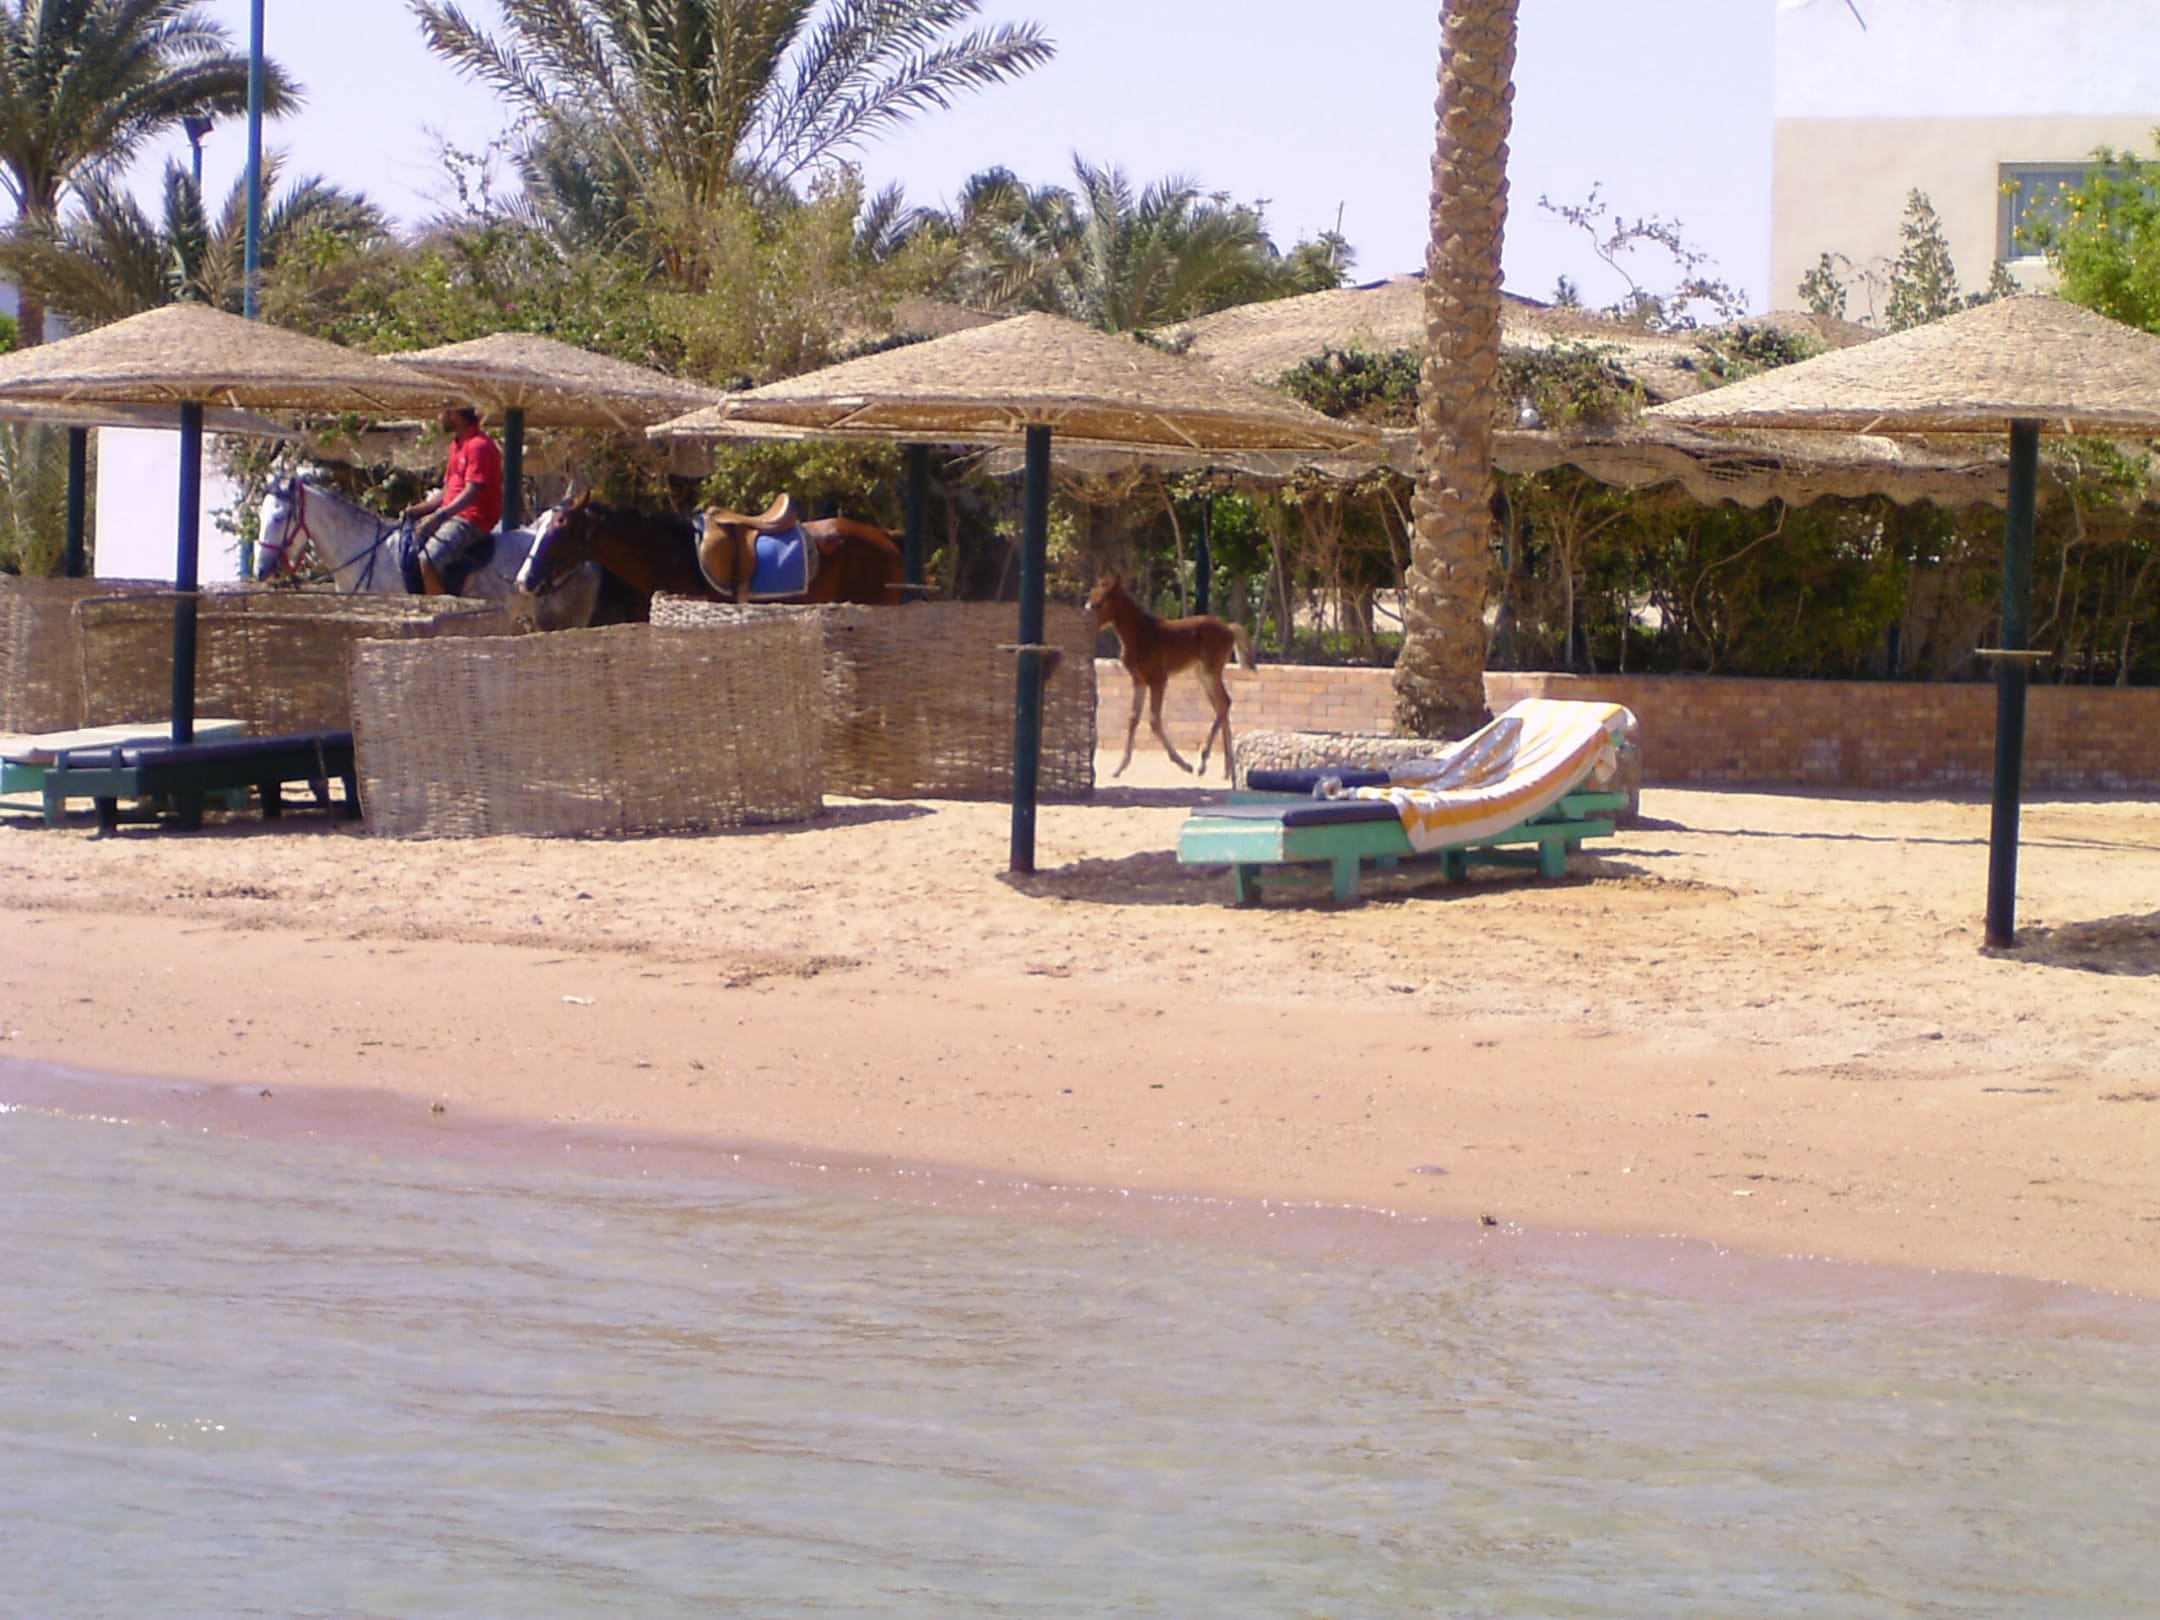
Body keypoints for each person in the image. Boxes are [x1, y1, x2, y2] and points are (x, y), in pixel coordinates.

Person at [402, 406, 504, 594]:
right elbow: (448, 491)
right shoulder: (456, 446)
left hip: (472, 519)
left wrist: (438, 516)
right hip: (452, 515)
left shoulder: (479, 446)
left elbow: (472, 491)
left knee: (428, 559)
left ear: (456, 415)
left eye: (443, 412)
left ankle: (438, 608)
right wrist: (418, 510)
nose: (439, 416)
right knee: (407, 546)